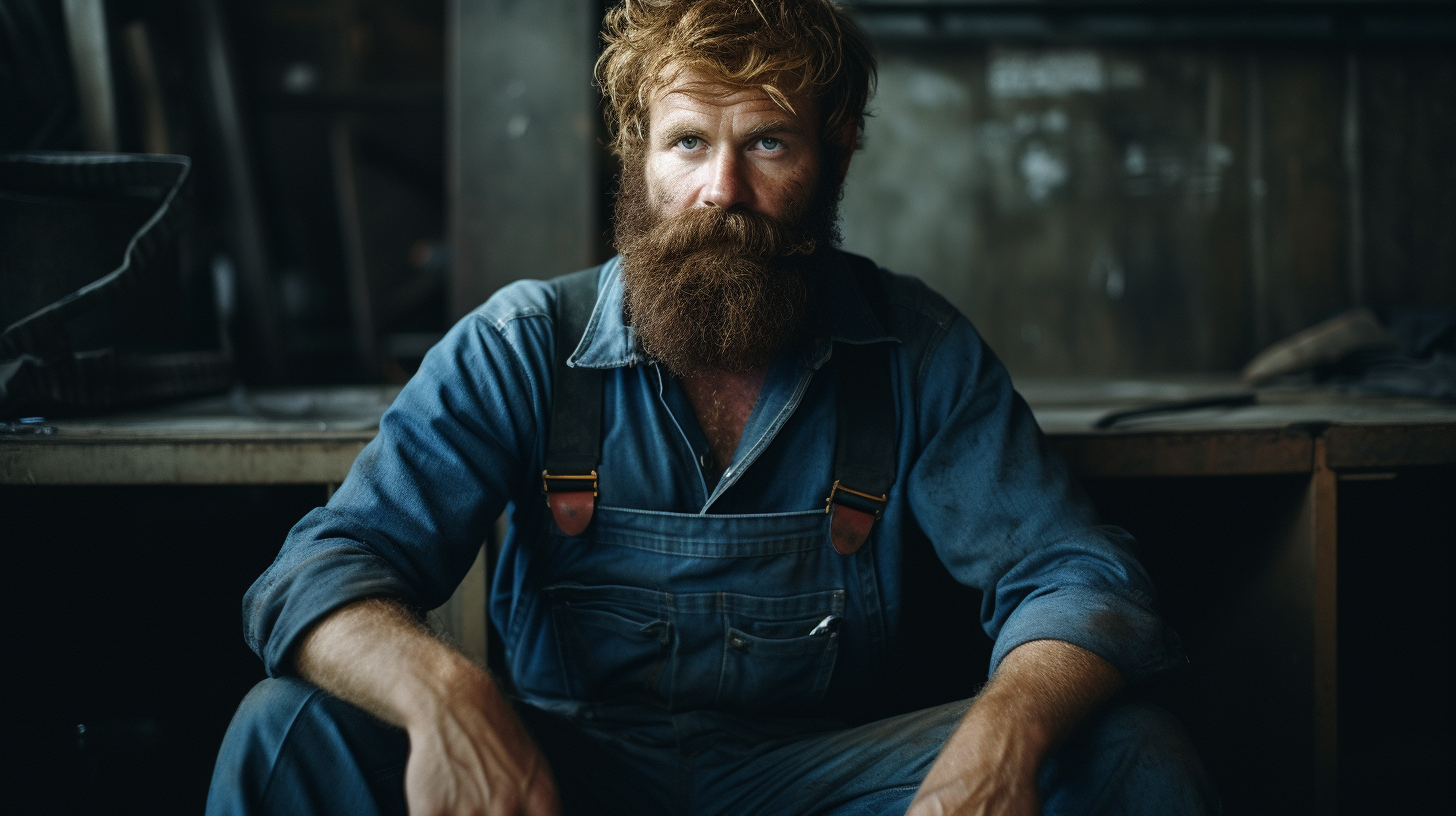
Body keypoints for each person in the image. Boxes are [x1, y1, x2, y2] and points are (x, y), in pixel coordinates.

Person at [208, 2, 1217, 814]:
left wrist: (1005, 733)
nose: (719, 188)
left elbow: (1075, 575)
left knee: (1128, 758)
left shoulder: (914, 350)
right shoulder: (523, 344)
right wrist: (451, 696)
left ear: (838, 153)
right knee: (284, 728)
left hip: (827, 780)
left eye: (767, 142)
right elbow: (320, 569)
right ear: (637, 155)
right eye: (688, 142)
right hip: (569, 775)